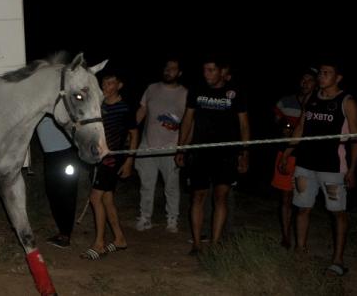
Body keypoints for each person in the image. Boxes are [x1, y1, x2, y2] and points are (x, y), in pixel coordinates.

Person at [280, 61, 357, 276]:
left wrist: (352, 169)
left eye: (327, 73)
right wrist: (287, 154)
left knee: (337, 213)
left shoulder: (347, 102)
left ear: (339, 77)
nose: (322, 76)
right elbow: (300, 128)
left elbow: (356, 139)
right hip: (305, 166)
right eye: (321, 73)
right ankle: (300, 251)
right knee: (302, 208)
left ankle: (337, 261)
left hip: (332, 169)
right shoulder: (311, 98)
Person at [175, 57, 250, 254]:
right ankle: (197, 244)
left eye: (210, 70)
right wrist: (181, 148)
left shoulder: (234, 93)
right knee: (198, 196)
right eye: (204, 70)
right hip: (200, 151)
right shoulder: (197, 90)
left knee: (220, 197)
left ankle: (216, 243)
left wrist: (244, 153)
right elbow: (188, 120)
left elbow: (244, 125)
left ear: (221, 71)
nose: (206, 74)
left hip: (226, 153)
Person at [81, 71, 139, 260]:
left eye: (110, 84)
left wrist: (130, 160)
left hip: (113, 159)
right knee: (106, 199)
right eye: (104, 84)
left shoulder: (125, 108)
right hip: (99, 157)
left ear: (119, 85)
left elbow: (134, 134)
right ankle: (120, 238)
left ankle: (99, 244)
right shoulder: (100, 104)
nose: (106, 88)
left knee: (95, 198)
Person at [134, 58, 187, 233]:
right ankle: (145, 217)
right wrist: (131, 131)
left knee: (171, 186)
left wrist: (183, 146)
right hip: (147, 144)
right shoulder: (152, 88)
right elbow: (142, 110)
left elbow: (189, 121)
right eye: (166, 68)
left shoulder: (185, 93)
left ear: (179, 73)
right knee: (146, 184)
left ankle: (172, 219)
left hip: (171, 146)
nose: (168, 71)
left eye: (172, 69)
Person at [271, 68, 317, 248]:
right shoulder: (286, 101)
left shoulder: (318, 104)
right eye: (303, 79)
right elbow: (275, 121)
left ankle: (301, 240)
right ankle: (286, 236)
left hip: (308, 157)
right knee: (286, 198)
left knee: (303, 200)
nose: (305, 83)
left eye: (310, 80)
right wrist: (283, 126)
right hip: (286, 154)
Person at [35, 115, 82, 248]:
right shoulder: (41, 105)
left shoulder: (60, 106)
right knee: (53, 193)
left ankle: (66, 234)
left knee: (67, 193)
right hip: (50, 156)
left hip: (66, 153)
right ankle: (62, 231)